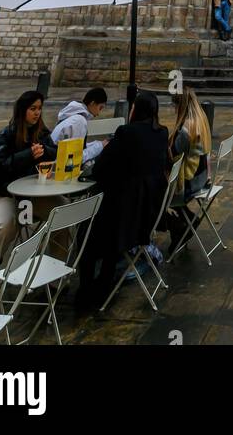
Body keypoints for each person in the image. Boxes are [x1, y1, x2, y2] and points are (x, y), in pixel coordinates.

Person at [76, 91, 169, 310]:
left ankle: (89, 291)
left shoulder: (127, 132)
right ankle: (107, 279)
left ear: (137, 109)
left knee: (86, 231)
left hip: (126, 220)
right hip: (150, 214)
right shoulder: (162, 133)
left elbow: (100, 169)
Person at [0, 90, 55, 310]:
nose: (37, 113)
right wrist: (27, 155)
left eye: (39, 109)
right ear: (22, 111)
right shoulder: (6, 135)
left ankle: (56, 274)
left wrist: (46, 151)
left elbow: (55, 152)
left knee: (64, 212)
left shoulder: (43, 134)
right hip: (6, 196)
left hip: (36, 195)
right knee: (2, 227)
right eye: (32, 109)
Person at [165, 86, 213, 250]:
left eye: (174, 106)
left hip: (190, 182)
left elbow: (172, 154)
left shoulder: (187, 128)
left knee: (157, 194)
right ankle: (187, 218)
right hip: (203, 177)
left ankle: (181, 225)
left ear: (180, 106)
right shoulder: (201, 119)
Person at [50, 87, 109, 165]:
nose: (98, 113)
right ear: (92, 103)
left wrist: (99, 144)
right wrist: (100, 147)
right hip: (58, 166)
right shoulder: (79, 121)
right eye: (100, 108)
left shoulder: (73, 115)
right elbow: (74, 158)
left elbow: (78, 148)